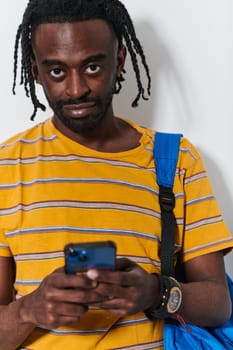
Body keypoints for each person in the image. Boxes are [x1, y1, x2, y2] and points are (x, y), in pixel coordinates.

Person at [0, 0, 232, 349]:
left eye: (92, 67)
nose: (76, 89)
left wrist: (155, 291)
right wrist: (28, 311)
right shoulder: (6, 166)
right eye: (57, 71)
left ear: (119, 59)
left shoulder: (175, 159)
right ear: (35, 70)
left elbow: (219, 305)